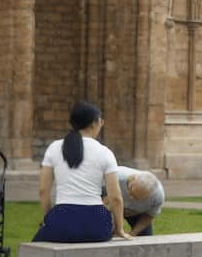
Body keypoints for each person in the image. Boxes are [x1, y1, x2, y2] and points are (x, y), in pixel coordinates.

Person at [33, 101, 132, 243]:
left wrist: (50, 219)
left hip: (62, 219)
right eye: (101, 121)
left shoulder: (54, 148)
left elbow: (43, 191)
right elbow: (115, 197)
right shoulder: (105, 152)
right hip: (97, 223)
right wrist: (120, 229)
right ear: (94, 123)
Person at [116, 168, 165, 236]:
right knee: (106, 234)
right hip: (111, 206)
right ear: (132, 180)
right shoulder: (116, 176)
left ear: (149, 195)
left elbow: (149, 215)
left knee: (145, 238)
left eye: (136, 197)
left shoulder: (157, 196)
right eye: (131, 191)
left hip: (138, 212)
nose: (130, 198)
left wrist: (133, 233)